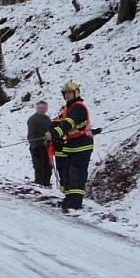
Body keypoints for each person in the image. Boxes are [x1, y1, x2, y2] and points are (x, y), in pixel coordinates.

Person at [45, 81, 94, 210]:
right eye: (65, 93)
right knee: (67, 173)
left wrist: (54, 133)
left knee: (76, 173)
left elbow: (69, 123)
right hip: (71, 145)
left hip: (82, 146)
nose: (67, 95)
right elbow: (59, 122)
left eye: (69, 92)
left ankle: (75, 203)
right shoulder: (69, 108)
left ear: (76, 93)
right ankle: (68, 199)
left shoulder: (78, 107)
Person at [27, 101, 53, 187]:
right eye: (40, 108)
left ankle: (47, 184)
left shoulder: (47, 119)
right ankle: (39, 185)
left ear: (46, 109)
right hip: (37, 147)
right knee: (39, 167)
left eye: (44, 108)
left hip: (47, 147)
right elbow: (31, 135)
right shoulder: (32, 119)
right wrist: (34, 147)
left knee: (48, 167)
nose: (42, 110)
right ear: (37, 108)